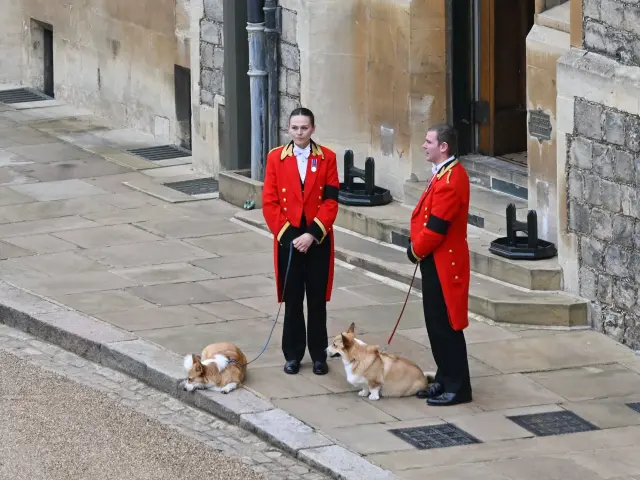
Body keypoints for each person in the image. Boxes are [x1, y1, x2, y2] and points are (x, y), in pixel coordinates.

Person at [262, 107, 340, 376]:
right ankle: (293, 355)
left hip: (317, 239)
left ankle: (319, 355)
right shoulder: (275, 158)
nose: (299, 132)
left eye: (304, 128)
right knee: (293, 299)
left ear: (313, 129)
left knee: (317, 301)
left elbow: (331, 201)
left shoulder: (327, 157)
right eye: (294, 128)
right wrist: (291, 237)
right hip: (289, 240)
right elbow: (269, 202)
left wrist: (312, 235)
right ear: (288, 129)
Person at [406, 123, 473, 406]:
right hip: (435, 260)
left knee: (446, 326)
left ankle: (458, 387)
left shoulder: (449, 181)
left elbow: (436, 228)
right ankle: (445, 378)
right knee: (435, 324)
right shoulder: (443, 174)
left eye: (428, 141)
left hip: (445, 263)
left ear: (443, 146)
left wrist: (415, 251)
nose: (424, 145)